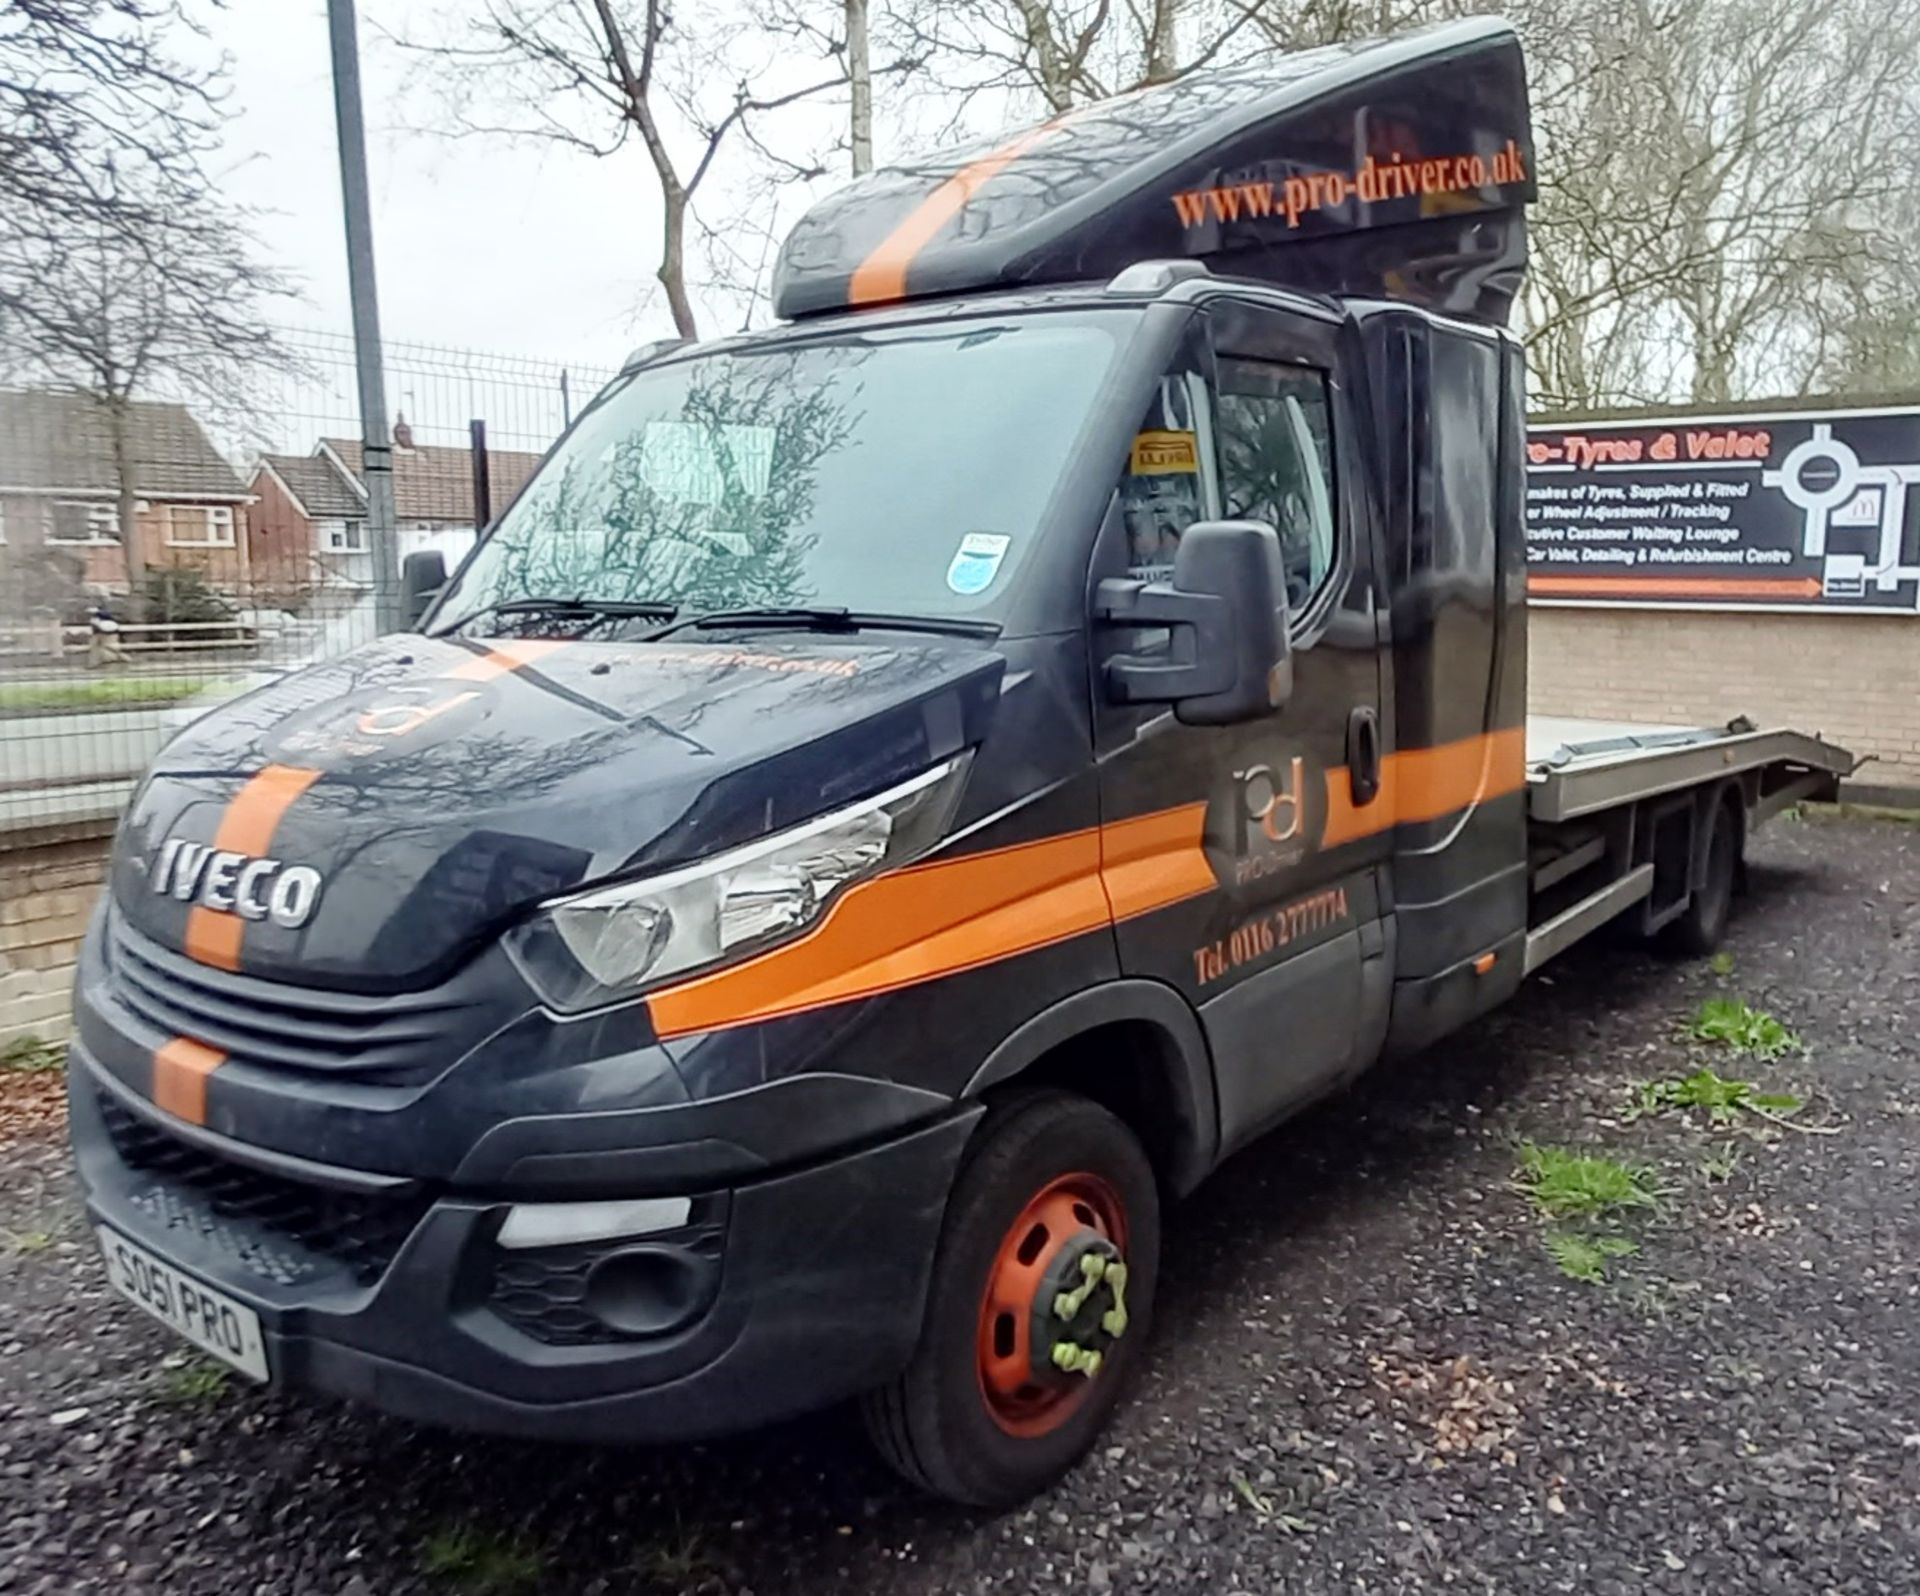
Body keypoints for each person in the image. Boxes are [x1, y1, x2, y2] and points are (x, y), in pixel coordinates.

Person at [86, 601, 129, 669]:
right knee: (108, 647)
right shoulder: (108, 617)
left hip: (102, 632)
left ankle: (93, 663)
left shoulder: (96, 619)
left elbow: (96, 628)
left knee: (97, 647)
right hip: (111, 631)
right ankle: (120, 657)